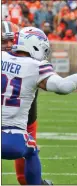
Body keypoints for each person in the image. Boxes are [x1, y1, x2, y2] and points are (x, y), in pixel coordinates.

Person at [1, 26, 77, 185]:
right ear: (35, 46)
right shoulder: (36, 66)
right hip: (11, 137)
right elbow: (65, 87)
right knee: (32, 150)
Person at [2, 20, 53, 185]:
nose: (9, 45)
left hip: (25, 122)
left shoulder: (32, 61)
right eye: (4, 41)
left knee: (24, 177)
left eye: (12, 40)